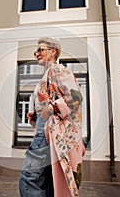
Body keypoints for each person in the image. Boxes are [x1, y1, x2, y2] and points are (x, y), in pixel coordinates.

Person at [19, 37, 85, 197]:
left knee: (29, 177)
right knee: (48, 180)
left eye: (41, 50)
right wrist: (35, 115)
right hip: (48, 128)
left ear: (53, 51)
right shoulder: (47, 74)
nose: (37, 54)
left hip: (51, 128)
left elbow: (76, 97)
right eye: (36, 51)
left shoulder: (58, 70)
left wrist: (50, 108)